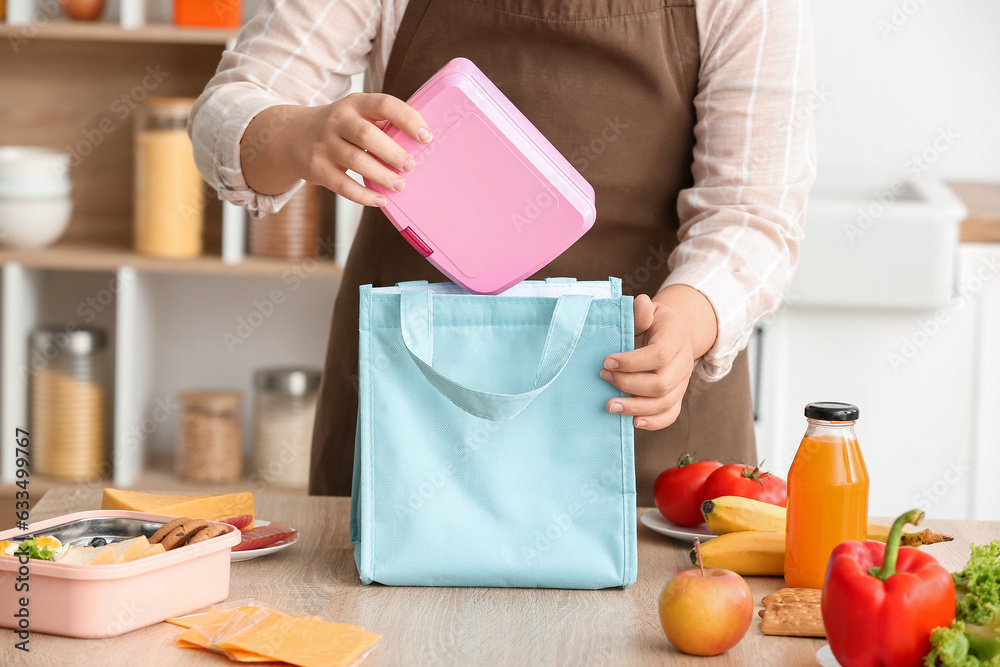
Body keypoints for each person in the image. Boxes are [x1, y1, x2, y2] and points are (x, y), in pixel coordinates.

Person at [190, 0, 815, 506]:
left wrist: (688, 322)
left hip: (645, 418)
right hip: (413, 416)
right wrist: (298, 135)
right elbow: (232, 106)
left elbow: (752, 213)